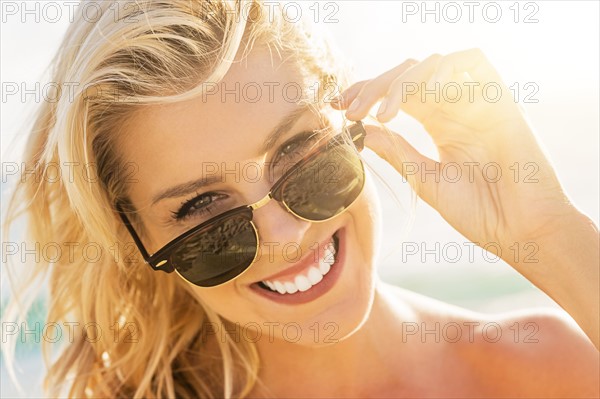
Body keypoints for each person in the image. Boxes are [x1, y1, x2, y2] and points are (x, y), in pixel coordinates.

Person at [3, 1, 598, 397]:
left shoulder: (543, 370)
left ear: (348, 114)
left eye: (297, 152)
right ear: (137, 242)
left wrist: (547, 232)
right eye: (205, 210)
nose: (284, 233)